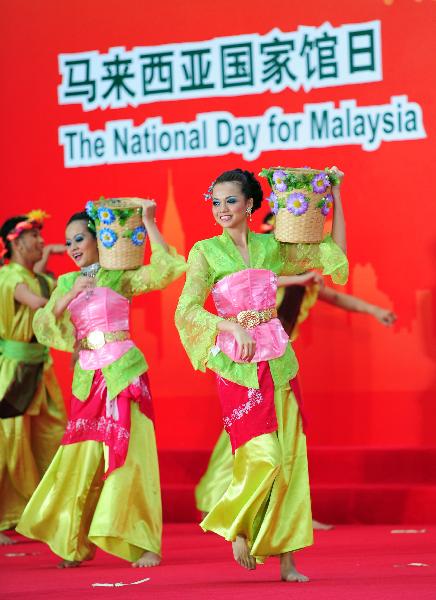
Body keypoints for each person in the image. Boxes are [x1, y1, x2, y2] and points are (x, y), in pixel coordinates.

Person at [175, 167, 348, 582]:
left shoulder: (272, 247)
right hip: (238, 367)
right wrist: (231, 326)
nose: (222, 209)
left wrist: (336, 196)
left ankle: (288, 561)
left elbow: (333, 251)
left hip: (280, 364)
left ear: (250, 204)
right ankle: (236, 525)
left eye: (231, 200)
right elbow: (186, 309)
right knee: (262, 457)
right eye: (216, 202)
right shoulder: (205, 251)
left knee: (289, 462)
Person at [195, 211, 397, 531]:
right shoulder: (263, 261)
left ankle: (290, 513)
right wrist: (297, 279)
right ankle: (217, 499)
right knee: (244, 432)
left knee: (288, 436)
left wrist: (375, 310)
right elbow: (259, 278)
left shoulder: (301, 275)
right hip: (249, 362)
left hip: (280, 362)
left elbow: (334, 296)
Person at [17, 199, 186, 568]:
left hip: (123, 373)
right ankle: (72, 543)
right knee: (79, 461)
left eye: (80, 239)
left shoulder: (119, 274)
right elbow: (44, 324)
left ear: (100, 238)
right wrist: (69, 295)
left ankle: (144, 543)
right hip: (88, 379)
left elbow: (168, 268)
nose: (74, 247)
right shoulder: (66, 281)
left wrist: (149, 222)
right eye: (69, 242)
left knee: (133, 456)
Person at [0, 212, 66, 545]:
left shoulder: (33, 276)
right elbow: (40, 303)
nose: (41, 242)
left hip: (40, 370)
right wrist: (72, 295)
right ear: (16, 242)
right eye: (35, 237)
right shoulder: (9, 275)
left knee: (51, 439)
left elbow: (42, 286)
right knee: (9, 445)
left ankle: (42, 513)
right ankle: (4, 517)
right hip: (13, 372)